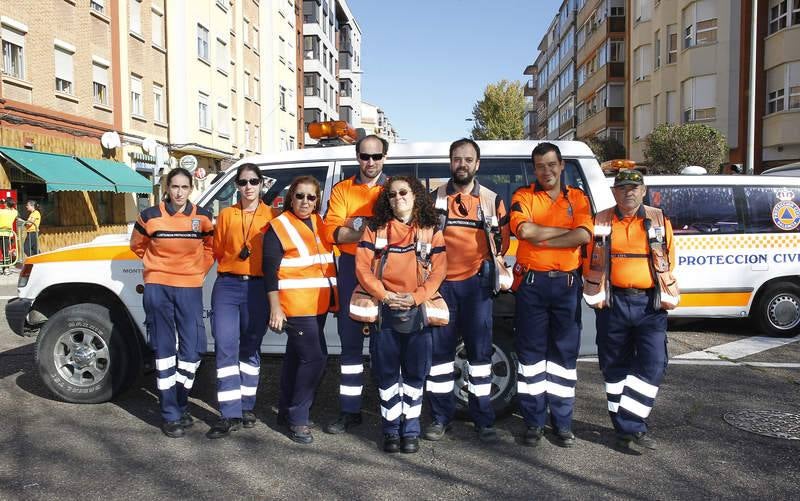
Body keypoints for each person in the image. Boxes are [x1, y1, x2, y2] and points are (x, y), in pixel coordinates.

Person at [583, 168, 678, 451]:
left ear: (644, 190)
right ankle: (624, 429)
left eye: (634, 187)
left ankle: (629, 421)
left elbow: (669, 259)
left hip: (649, 304)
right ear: (614, 192)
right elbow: (587, 259)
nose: (629, 192)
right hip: (612, 303)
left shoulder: (658, 218)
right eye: (623, 187)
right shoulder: (601, 219)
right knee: (613, 367)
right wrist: (595, 293)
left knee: (654, 363)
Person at [424, 138, 510, 443]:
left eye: (468, 159)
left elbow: (503, 242)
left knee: (480, 358)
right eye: (457, 159)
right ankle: (439, 418)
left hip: (477, 289)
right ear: (450, 163)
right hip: (441, 287)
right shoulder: (433, 199)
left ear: (477, 164)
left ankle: (483, 420)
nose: (462, 164)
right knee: (440, 359)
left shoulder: (491, 199)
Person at [509, 142, 593, 448]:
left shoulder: (578, 197)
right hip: (532, 285)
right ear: (535, 169)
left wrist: (543, 236)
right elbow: (524, 232)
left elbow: (585, 234)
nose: (546, 171)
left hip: (568, 286)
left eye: (551, 164)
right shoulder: (523, 195)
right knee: (531, 357)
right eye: (540, 166)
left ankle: (562, 423)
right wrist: (564, 234)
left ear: (562, 166)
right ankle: (534, 422)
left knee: (563, 357)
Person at [356, 176, 446, 453]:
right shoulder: (375, 229)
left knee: (415, 374)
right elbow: (362, 269)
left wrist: (416, 297)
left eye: (403, 192)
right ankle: (391, 430)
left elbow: (440, 270)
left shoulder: (431, 230)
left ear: (416, 195)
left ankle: (411, 430)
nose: (398, 198)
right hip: (386, 310)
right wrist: (385, 296)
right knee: (386, 375)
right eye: (392, 195)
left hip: (417, 310)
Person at [130, 167, 214, 438]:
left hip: (189, 288)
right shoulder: (149, 215)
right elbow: (138, 245)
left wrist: (199, 269)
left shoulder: (202, 216)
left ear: (191, 189)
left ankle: (178, 400)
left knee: (192, 351)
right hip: (158, 288)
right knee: (165, 351)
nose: (179, 192)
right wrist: (157, 269)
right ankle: (169, 414)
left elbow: (211, 247)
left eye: (184, 187)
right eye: (174, 187)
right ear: (167, 188)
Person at [320, 134, 388, 434]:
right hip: (351, 269)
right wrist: (371, 230)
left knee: (385, 344)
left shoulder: (395, 189)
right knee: (350, 345)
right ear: (357, 156)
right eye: (364, 156)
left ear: (385, 157)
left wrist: (354, 225)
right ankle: (350, 411)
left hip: (388, 268)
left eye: (376, 156)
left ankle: (389, 411)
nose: (370, 162)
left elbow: (402, 231)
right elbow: (333, 234)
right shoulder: (342, 189)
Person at [263, 175, 337, 444]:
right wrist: (275, 308)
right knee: (316, 359)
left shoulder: (319, 223)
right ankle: (298, 418)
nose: (305, 201)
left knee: (297, 358)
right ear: (290, 197)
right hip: (294, 306)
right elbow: (269, 272)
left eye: (311, 197)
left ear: (317, 201)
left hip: (317, 304)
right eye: (300, 196)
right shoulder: (278, 226)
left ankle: (286, 410)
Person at [206, 164, 275, 439]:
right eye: (243, 182)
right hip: (228, 285)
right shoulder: (226, 214)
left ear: (261, 185)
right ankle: (229, 413)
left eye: (254, 181)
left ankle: (247, 407)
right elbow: (219, 249)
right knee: (225, 346)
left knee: (250, 348)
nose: (248, 187)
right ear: (236, 185)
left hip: (258, 288)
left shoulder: (272, 216)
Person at [0, 198, 18, 274]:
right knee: (5, 252)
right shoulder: (14, 212)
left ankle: (2, 268)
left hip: (0, 233)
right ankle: (6, 268)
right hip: (8, 234)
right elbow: (13, 208)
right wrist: (6, 202)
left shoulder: (1, 211)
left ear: (6, 204)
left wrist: (2, 202)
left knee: (3, 252)